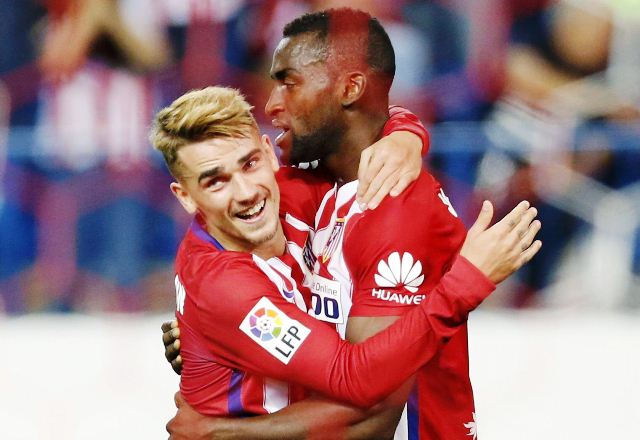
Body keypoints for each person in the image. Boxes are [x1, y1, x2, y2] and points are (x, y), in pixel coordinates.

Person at [153, 83, 539, 437]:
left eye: (249, 163)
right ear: (184, 197)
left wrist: (406, 135)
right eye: (215, 181)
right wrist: (467, 282)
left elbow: (359, 127)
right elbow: (357, 383)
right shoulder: (225, 287)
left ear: (269, 155)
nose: (245, 192)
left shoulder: (291, 194)